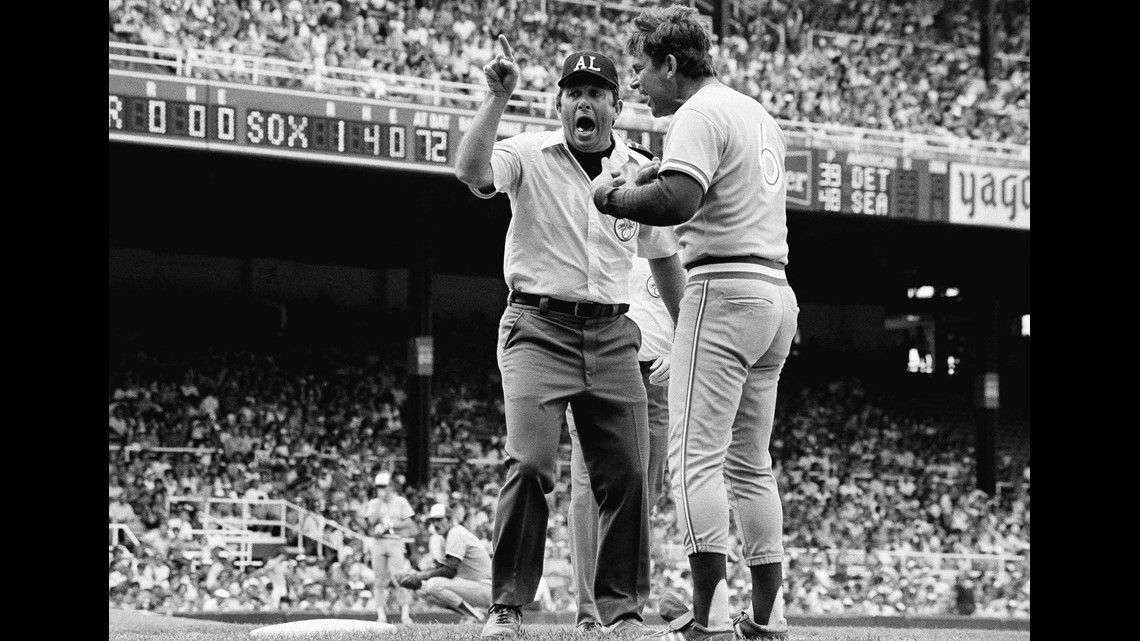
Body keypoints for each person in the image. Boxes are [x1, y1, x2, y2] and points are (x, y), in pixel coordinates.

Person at [454, 34, 686, 640]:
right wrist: (497, 98)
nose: (584, 103)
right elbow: (470, 170)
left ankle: (622, 613)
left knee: (630, 475)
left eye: (596, 94)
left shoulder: (638, 171)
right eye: (574, 93)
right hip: (537, 326)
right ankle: (506, 607)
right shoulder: (529, 152)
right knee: (531, 463)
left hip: (613, 333)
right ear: (560, 105)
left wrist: (686, 331)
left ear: (614, 107)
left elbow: (663, 259)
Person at [589, 5, 799, 641]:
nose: (634, 85)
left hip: (722, 288)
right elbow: (712, 187)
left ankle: (706, 615)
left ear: (671, 64)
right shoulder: (753, 111)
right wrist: (656, 171)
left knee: (692, 459)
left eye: (641, 70)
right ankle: (768, 616)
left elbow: (679, 201)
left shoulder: (696, 113)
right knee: (751, 464)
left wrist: (612, 197)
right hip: (775, 294)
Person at [567, 253, 676, 632]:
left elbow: (695, 308)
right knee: (587, 492)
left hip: (659, 379)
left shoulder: (678, 229)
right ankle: (590, 614)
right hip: (601, 368)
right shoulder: (603, 223)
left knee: (645, 491)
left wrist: (680, 349)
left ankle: (624, 608)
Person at [396, 503, 492, 622]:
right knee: (422, 589)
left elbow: (449, 571)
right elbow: (440, 568)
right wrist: (414, 574)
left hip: (485, 587)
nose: (435, 524)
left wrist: (419, 576)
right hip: (470, 585)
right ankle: (469, 615)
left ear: (450, 519)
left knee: (433, 584)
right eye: (433, 520)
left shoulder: (455, 533)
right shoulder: (444, 538)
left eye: (439, 520)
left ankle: (478, 617)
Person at [364, 470, 417, 624]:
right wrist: (379, 505)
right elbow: (370, 522)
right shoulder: (374, 503)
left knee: (398, 577)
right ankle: (381, 615)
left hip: (395, 540)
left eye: (384, 486)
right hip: (379, 542)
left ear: (390, 486)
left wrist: (391, 525)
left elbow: (409, 522)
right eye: (379, 487)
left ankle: (405, 615)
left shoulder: (400, 501)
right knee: (379, 579)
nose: (381, 489)